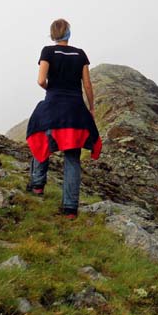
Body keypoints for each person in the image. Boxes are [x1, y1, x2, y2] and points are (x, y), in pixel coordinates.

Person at [26, 18, 102, 219]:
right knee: (72, 157)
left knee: (41, 138)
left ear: (52, 34)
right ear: (68, 33)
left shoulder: (47, 52)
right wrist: (91, 108)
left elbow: (41, 80)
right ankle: (69, 208)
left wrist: (51, 89)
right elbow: (87, 85)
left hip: (53, 107)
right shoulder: (80, 54)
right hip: (75, 111)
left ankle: (37, 185)